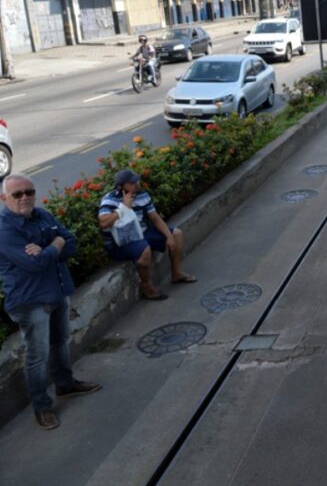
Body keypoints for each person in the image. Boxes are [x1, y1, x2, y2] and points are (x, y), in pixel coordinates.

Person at [0, 174, 101, 430]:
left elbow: (71, 243)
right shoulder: (5, 230)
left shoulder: (43, 215)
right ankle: (42, 407)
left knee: (60, 344)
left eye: (29, 191)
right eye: (17, 194)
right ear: (4, 199)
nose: (25, 197)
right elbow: (34, 264)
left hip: (57, 292)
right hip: (30, 301)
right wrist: (55, 243)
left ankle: (65, 385)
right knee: (37, 356)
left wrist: (50, 246)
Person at [98, 170, 195, 301]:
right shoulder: (110, 200)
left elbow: (155, 218)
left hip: (142, 232)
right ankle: (146, 286)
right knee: (145, 250)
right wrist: (123, 208)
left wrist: (169, 236)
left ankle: (176, 273)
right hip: (121, 242)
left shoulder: (142, 195)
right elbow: (103, 223)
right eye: (132, 183)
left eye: (137, 180)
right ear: (121, 186)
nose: (137, 184)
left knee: (177, 234)